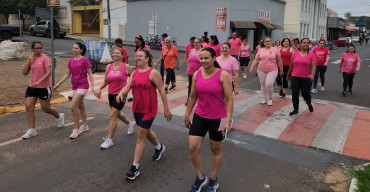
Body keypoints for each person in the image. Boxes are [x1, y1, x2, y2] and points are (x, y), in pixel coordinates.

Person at [116, 48, 172, 181]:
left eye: (140, 56)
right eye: (136, 56)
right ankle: (159, 148)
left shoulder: (153, 73)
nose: (138, 58)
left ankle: (134, 168)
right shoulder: (134, 73)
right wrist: (120, 93)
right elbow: (127, 87)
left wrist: (166, 109)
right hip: (137, 109)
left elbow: (162, 91)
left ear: (147, 58)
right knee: (146, 131)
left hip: (149, 109)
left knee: (140, 135)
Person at [184, 47, 233, 192]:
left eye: (206, 58)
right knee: (193, 147)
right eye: (201, 58)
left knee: (216, 149)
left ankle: (213, 180)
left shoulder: (223, 75)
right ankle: (200, 178)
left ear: (213, 58)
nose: (203, 61)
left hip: (218, 118)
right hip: (200, 115)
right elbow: (193, 96)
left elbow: (229, 100)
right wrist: (187, 114)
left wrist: (228, 121)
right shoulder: (196, 74)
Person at [21, 41, 65, 139]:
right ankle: (31, 130)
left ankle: (59, 116)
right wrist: (28, 62)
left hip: (44, 88)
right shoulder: (31, 59)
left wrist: (39, 82)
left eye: (40, 47)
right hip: (32, 87)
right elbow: (24, 73)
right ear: (32, 49)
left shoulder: (45, 58)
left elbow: (48, 73)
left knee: (46, 109)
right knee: (28, 107)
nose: (39, 50)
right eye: (37, 48)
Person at [95, 48, 136, 149]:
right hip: (111, 93)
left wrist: (135, 93)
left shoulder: (126, 67)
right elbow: (106, 81)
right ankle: (130, 123)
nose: (115, 54)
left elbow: (133, 80)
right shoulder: (109, 66)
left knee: (113, 115)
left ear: (122, 56)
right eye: (114, 53)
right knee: (116, 113)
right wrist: (99, 88)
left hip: (121, 94)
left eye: (118, 53)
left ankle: (109, 141)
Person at [53, 42, 94, 139]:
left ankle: (76, 129)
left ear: (81, 50)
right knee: (81, 106)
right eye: (73, 48)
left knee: (73, 106)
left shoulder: (85, 60)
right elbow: (67, 74)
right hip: (74, 86)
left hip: (83, 85)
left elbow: (90, 73)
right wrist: (58, 84)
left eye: (76, 48)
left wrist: (92, 86)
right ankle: (85, 125)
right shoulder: (71, 61)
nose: (73, 49)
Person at [286, 38, 316, 116]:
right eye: (304, 42)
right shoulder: (295, 53)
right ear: (300, 44)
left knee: (305, 94)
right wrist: (288, 75)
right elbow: (291, 66)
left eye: (307, 43)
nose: (305, 44)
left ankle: (309, 104)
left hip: (306, 77)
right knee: (295, 93)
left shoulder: (312, 54)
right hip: (295, 76)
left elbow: (313, 66)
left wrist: (312, 74)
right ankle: (296, 109)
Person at [249, 37, 283, 106]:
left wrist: (281, 70)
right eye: (266, 41)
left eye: (269, 41)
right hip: (261, 69)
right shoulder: (260, 50)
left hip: (272, 70)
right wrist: (252, 67)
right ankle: (264, 98)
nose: (268, 42)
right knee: (263, 84)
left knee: (269, 84)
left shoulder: (275, 50)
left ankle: (270, 98)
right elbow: (256, 60)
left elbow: (279, 60)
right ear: (263, 43)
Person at [128, 35, 151, 102]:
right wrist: (136, 67)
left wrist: (148, 68)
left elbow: (149, 58)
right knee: (135, 82)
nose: (136, 44)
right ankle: (134, 95)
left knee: (145, 83)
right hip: (138, 69)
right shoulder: (138, 49)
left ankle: (145, 95)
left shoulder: (146, 47)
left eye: (137, 42)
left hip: (145, 68)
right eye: (135, 42)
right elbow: (137, 59)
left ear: (141, 41)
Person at [185, 38, 202, 106]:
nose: (195, 44)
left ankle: (200, 101)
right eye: (194, 42)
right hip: (190, 72)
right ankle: (189, 100)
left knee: (199, 88)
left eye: (197, 42)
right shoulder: (191, 51)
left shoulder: (203, 51)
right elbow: (189, 61)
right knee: (191, 87)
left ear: (200, 43)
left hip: (199, 73)